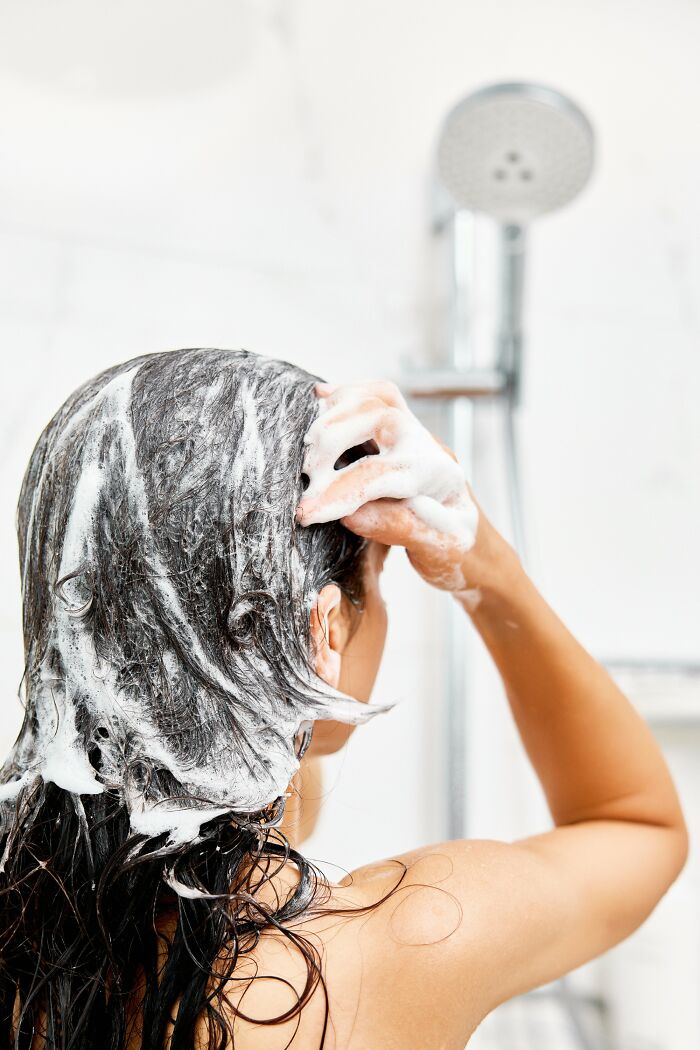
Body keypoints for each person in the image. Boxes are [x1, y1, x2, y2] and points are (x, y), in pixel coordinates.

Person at [0, 348, 687, 1049]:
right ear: (322, 631)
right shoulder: (391, 952)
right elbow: (637, 825)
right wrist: (483, 563)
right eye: (379, 577)